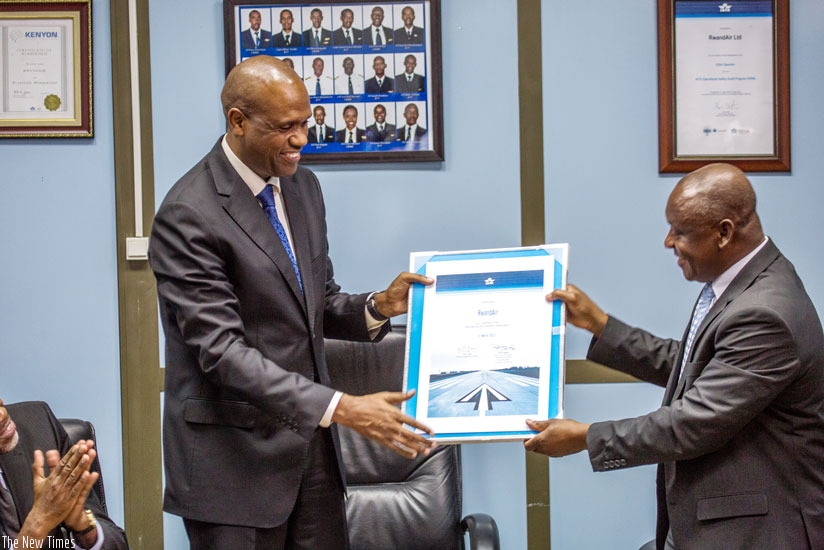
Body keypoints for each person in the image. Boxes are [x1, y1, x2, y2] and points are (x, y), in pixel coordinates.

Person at [148, 56, 435, 550]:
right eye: (286, 127)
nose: (301, 138)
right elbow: (221, 352)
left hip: (312, 459)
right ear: (238, 122)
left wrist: (379, 307)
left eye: (305, 122)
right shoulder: (187, 214)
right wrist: (343, 407)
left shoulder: (302, 185)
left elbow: (314, 303)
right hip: (234, 470)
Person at [524, 163, 824, 550]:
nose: (669, 242)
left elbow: (695, 422)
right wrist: (601, 325)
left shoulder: (764, 312)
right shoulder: (746, 283)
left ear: (724, 232)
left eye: (681, 232)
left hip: (760, 532)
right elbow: (691, 368)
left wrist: (587, 437)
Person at [0, 398, 128, 549]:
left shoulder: (37, 424)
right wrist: (37, 524)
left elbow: (117, 543)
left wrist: (85, 529)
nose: (2, 414)